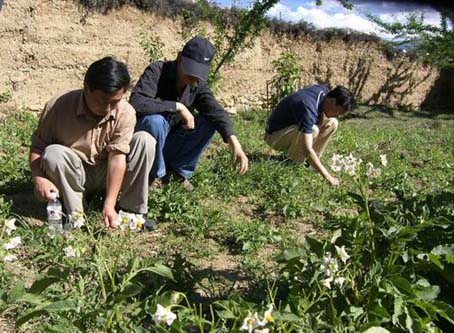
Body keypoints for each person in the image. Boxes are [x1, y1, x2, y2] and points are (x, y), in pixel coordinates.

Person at [29, 57, 156, 229]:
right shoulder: (58, 107)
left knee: (144, 141)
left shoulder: (125, 112)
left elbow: (117, 159)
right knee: (53, 153)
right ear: (86, 88)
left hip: (107, 174)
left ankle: (130, 213)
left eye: (115, 102)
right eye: (103, 101)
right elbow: (38, 146)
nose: (108, 108)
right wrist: (39, 179)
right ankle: (75, 216)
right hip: (75, 175)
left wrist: (109, 204)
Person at [130, 36, 248, 191]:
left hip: (170, 142)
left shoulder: (197, 85)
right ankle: (154, 176)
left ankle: (175, 172)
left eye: (198, 74)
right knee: (155, 121)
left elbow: (216, 111)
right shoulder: (157, 71)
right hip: (147, 145)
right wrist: (177, 106)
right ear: (179, 58)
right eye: (190, 71)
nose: (193, 78)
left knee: (209, 122)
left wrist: (234, 142)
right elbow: (137, 102)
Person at [265, 84, 355, 186]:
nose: (338, 115)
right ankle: (293, 164)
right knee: (312, 129)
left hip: (290, 130)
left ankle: (310, 163)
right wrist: (328, 177)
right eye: (338, 111)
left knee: (333, 123)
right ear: (332, 101)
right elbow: (307, 149)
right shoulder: (308, 106)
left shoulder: (324, 92)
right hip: (274, 137)